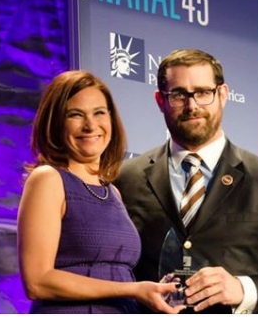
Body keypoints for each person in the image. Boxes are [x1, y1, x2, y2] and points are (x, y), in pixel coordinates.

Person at [115, 49, 258, 314]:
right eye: (179, 95)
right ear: (160, 100)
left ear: (222, 94)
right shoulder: (126, 178)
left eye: (203, 92)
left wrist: (240, 288)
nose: (192, 106)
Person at [17, 70, 183, 314]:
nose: (90, 125)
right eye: (75, 115)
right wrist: (133, 290)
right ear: (55, 122)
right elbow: (37, 282)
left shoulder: (112, 191)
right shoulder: (48, 179)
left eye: (99, 113)